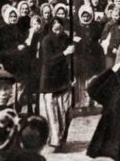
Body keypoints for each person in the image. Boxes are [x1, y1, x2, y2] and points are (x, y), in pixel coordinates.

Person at [39, 17, 73, 151]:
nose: (58, 31)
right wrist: (65, 53)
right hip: (50, 80)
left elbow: (72, 58)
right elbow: (48, 60)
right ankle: (55, 142)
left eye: (60, 28)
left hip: (64, 80)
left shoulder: (66, 38)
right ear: (51, 28)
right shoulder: (46, 40)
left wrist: (71, 75)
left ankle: (63, 139)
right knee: (52, 113)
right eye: (55, 28)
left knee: (66, 112)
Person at [74, 5, 104, 109]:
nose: (86, 18)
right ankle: (83, 103)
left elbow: (98, 42)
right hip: (81, 59)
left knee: (92, 80)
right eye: (84, 16)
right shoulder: (77, 28)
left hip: (93, 58)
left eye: (88, 16)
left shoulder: (94, 27)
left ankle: (92, 102)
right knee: (82, 82)